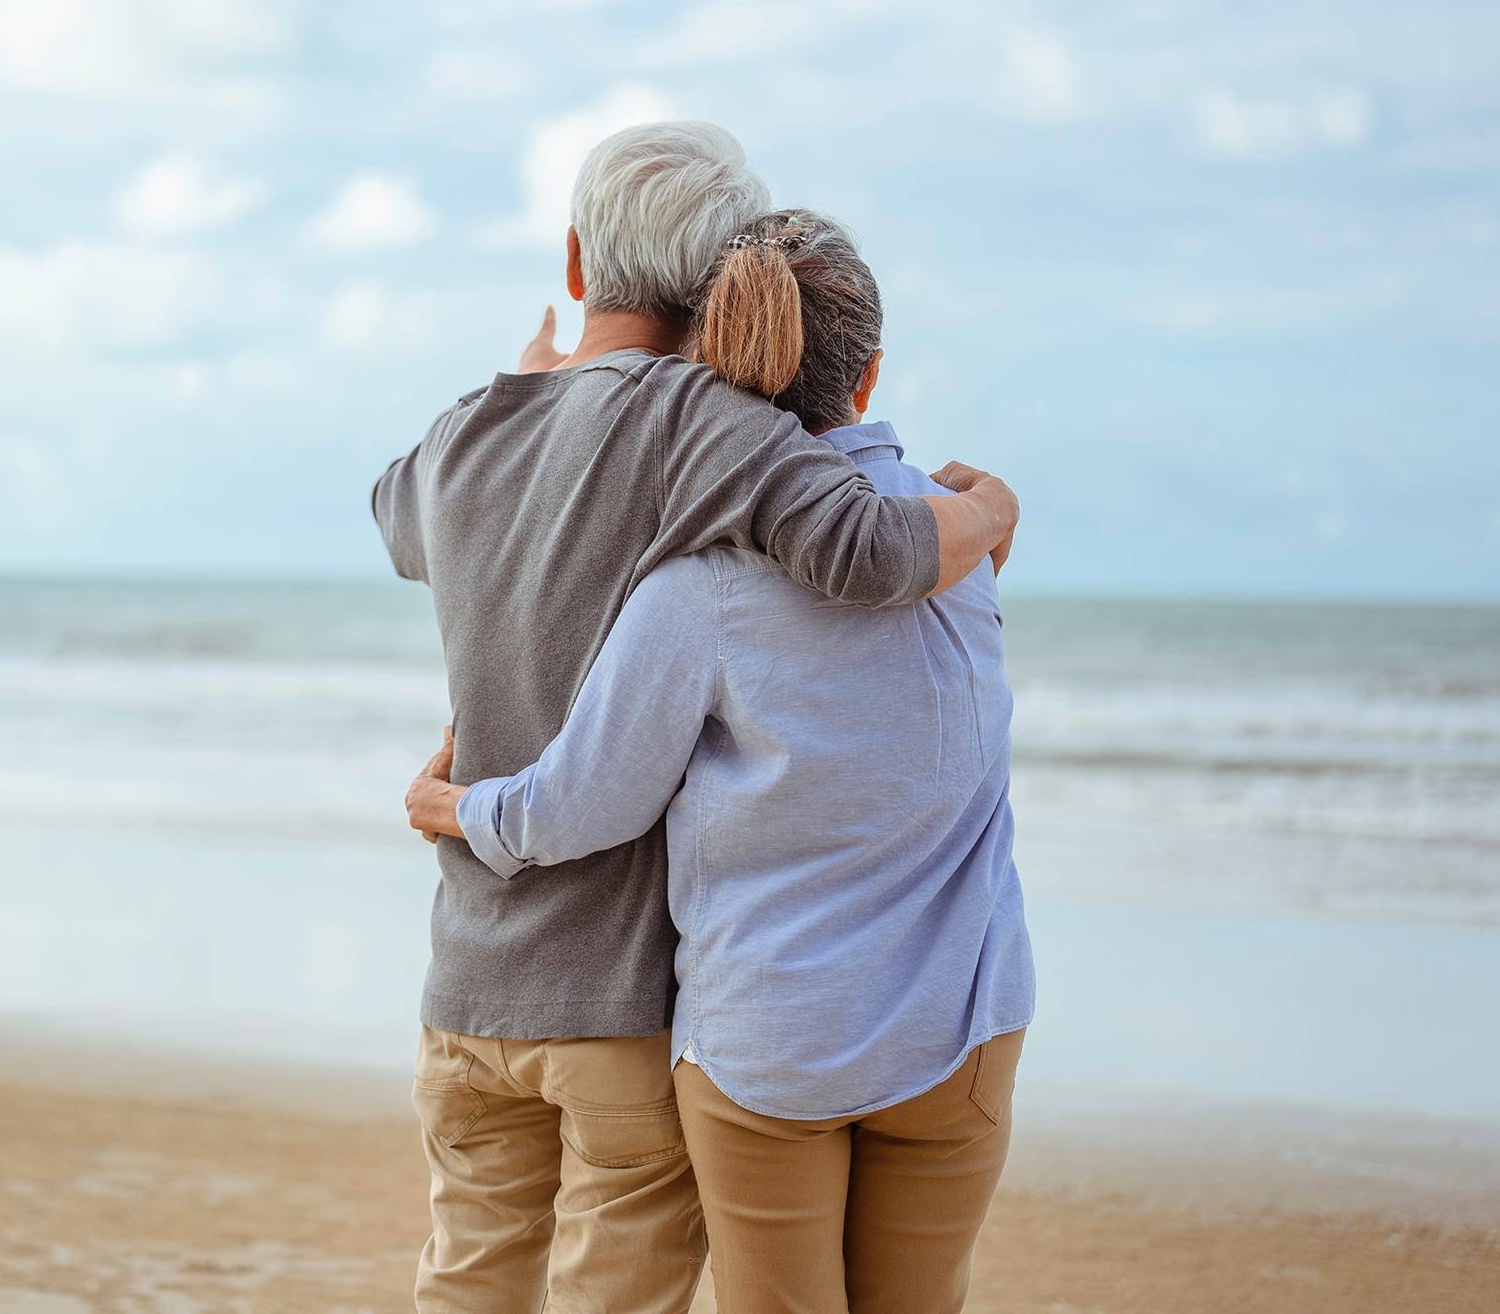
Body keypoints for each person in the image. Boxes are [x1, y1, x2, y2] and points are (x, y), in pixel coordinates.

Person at [370, 124, 1020, 1314]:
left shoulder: (473, 427)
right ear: (731, 287)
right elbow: (873, 550)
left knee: (465, 1285)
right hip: (614, 1000)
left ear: (574, 262)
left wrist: (525, 383)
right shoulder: (707, 424)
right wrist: (986, 511)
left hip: (466, 983)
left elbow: (398, 515)